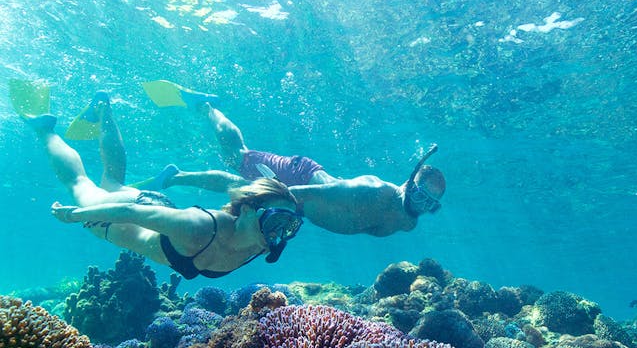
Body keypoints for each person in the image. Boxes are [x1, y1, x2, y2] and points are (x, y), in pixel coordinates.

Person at [22, 92, 303, 279]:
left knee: (112, 180)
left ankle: (102, 108)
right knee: (79, 184)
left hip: (158, 210)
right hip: (117, 220)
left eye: (289, 227)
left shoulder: (259, 243)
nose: (280, 233)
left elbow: (236, 184)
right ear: (249, 211)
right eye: (277, 221)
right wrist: (74, 216)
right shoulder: (199, 226)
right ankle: (45, 129)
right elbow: (128, 213)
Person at [141, 101, 446, 237]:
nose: (421, 207)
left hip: (301, 198)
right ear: (409, 183)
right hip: (298, 179)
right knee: (238, 157)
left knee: (235, 179)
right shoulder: (375, 192)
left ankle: (173, 177)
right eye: (420, 196)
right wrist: (275, 195)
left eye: (429, 205)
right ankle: (208, 108)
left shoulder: (408, 222)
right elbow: (316, 192)